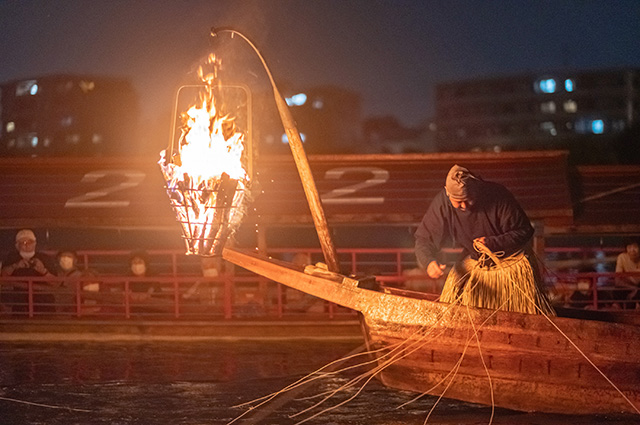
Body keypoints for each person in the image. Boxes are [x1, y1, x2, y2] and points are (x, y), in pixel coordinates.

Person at [414, 165, 554, 315]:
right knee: (455, 311)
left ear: (476, 190)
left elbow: (524, 231)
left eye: (468, 200)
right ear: (448, 194)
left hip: (510, 265)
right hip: (474, 263)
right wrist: (428, 261)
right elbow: (424, 238)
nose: (464, 206)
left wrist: (492, 243)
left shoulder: (497, 195)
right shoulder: (442, 202)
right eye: (458, 202)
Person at [1, 229, 56, 313]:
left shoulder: (45, 258)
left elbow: (55, 282)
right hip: (20, 303)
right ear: (17, 245)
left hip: (43, 302)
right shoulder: (11, 258)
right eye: (22, 242)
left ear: (35, 243)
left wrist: (43, 270)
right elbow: (3, 277)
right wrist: (15, 266)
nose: (26, 245)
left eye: (29, 242)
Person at [614, 239, 640, 306]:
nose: (632, 250)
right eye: (629, 247)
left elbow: (637, 281)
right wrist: (634, 289)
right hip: (628, 287)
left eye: (635, 247)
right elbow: (617, 280)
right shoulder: (622, 257)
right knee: (617, 291)